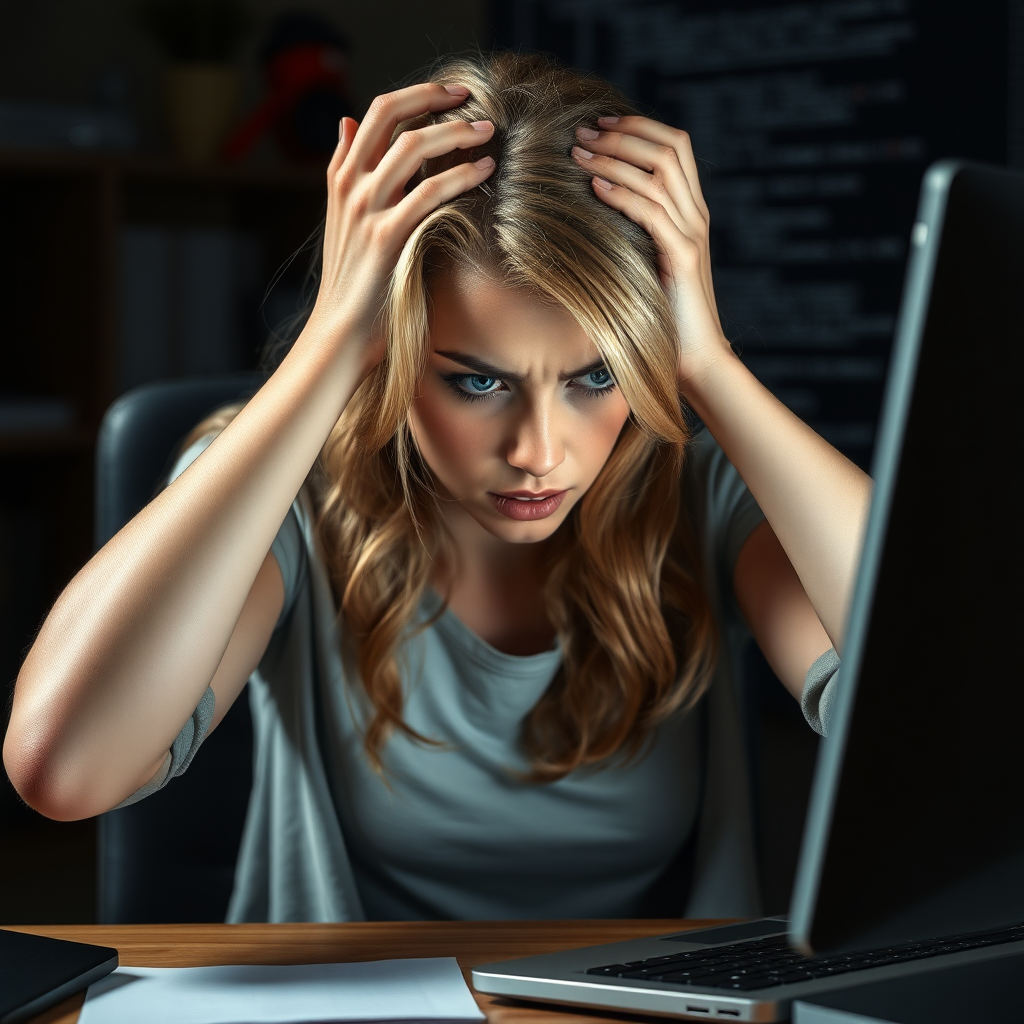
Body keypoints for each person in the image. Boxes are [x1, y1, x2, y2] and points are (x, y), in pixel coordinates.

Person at [3, 52, 867, 922]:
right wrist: (333, 339)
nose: (538, 452)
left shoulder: (702, 496)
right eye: (477, 381)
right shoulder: (292, 497)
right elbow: (64, 767)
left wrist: (709, 365)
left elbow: (952, 723)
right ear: (400, 351)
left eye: (596, 377)